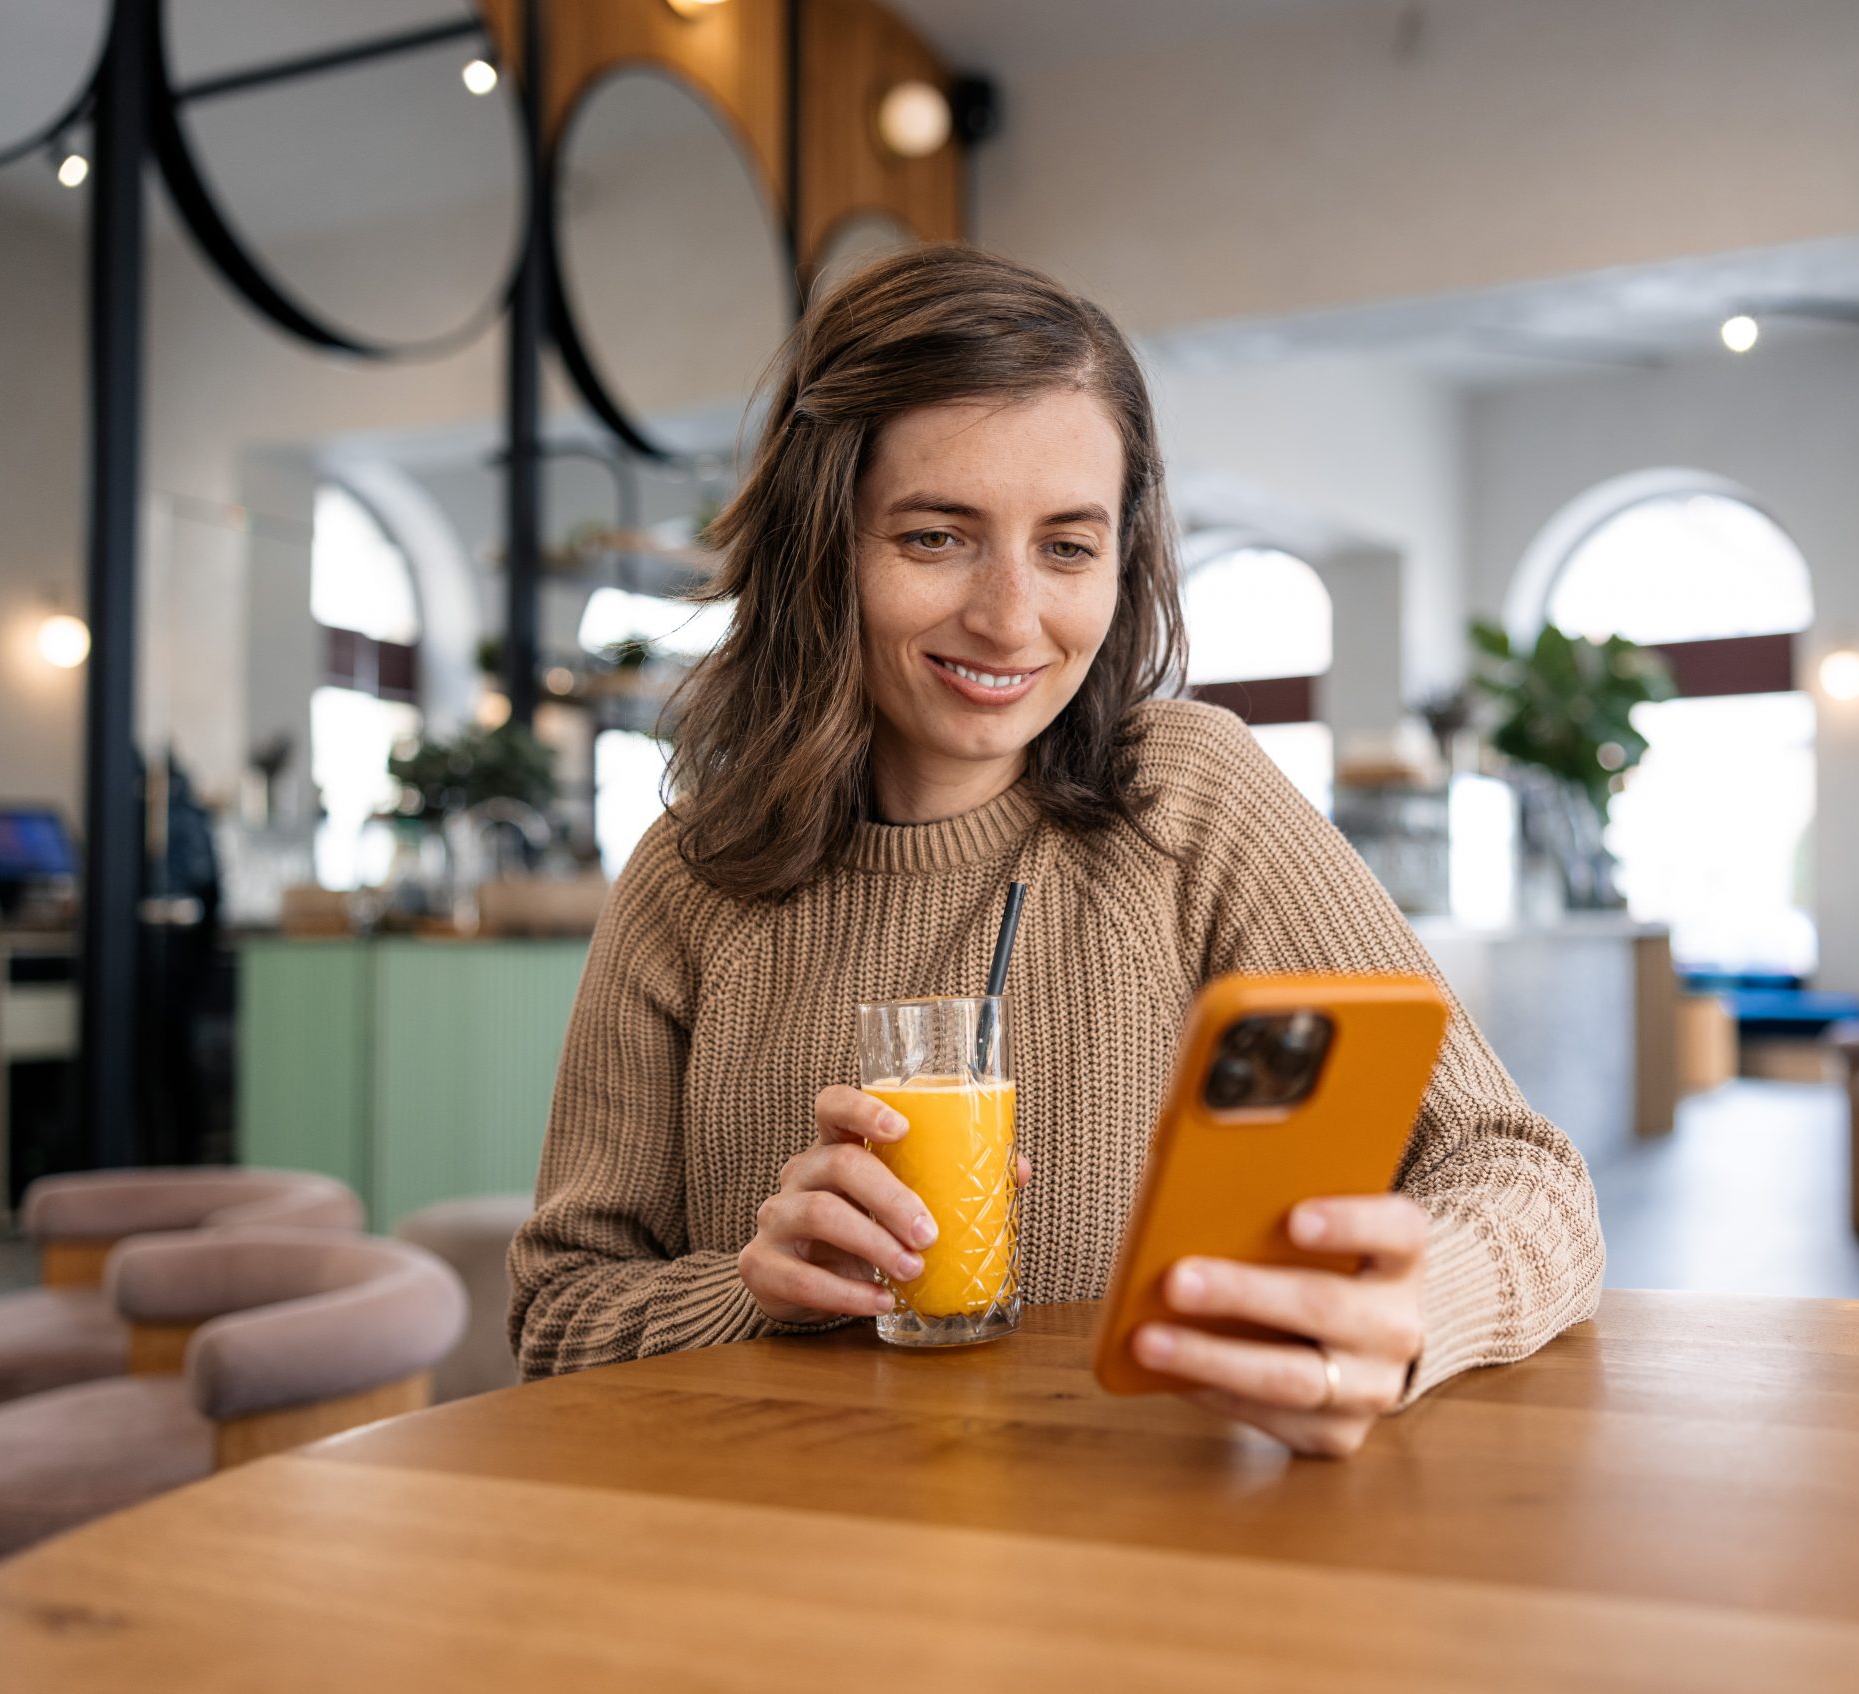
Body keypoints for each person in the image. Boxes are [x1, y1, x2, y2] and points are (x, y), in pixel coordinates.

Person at [509, 246, 1602, 1457]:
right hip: (789, 1574)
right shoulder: (690, 877)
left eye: (1067, 548)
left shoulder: (1186, 798)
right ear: (823, 547)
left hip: (1132, 1561)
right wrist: (751, 1291)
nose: (1011, 618)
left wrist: (1408, 1310)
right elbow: (559, 1311)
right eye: (936, 537)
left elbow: (1526, 1178)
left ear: (1119, 561)